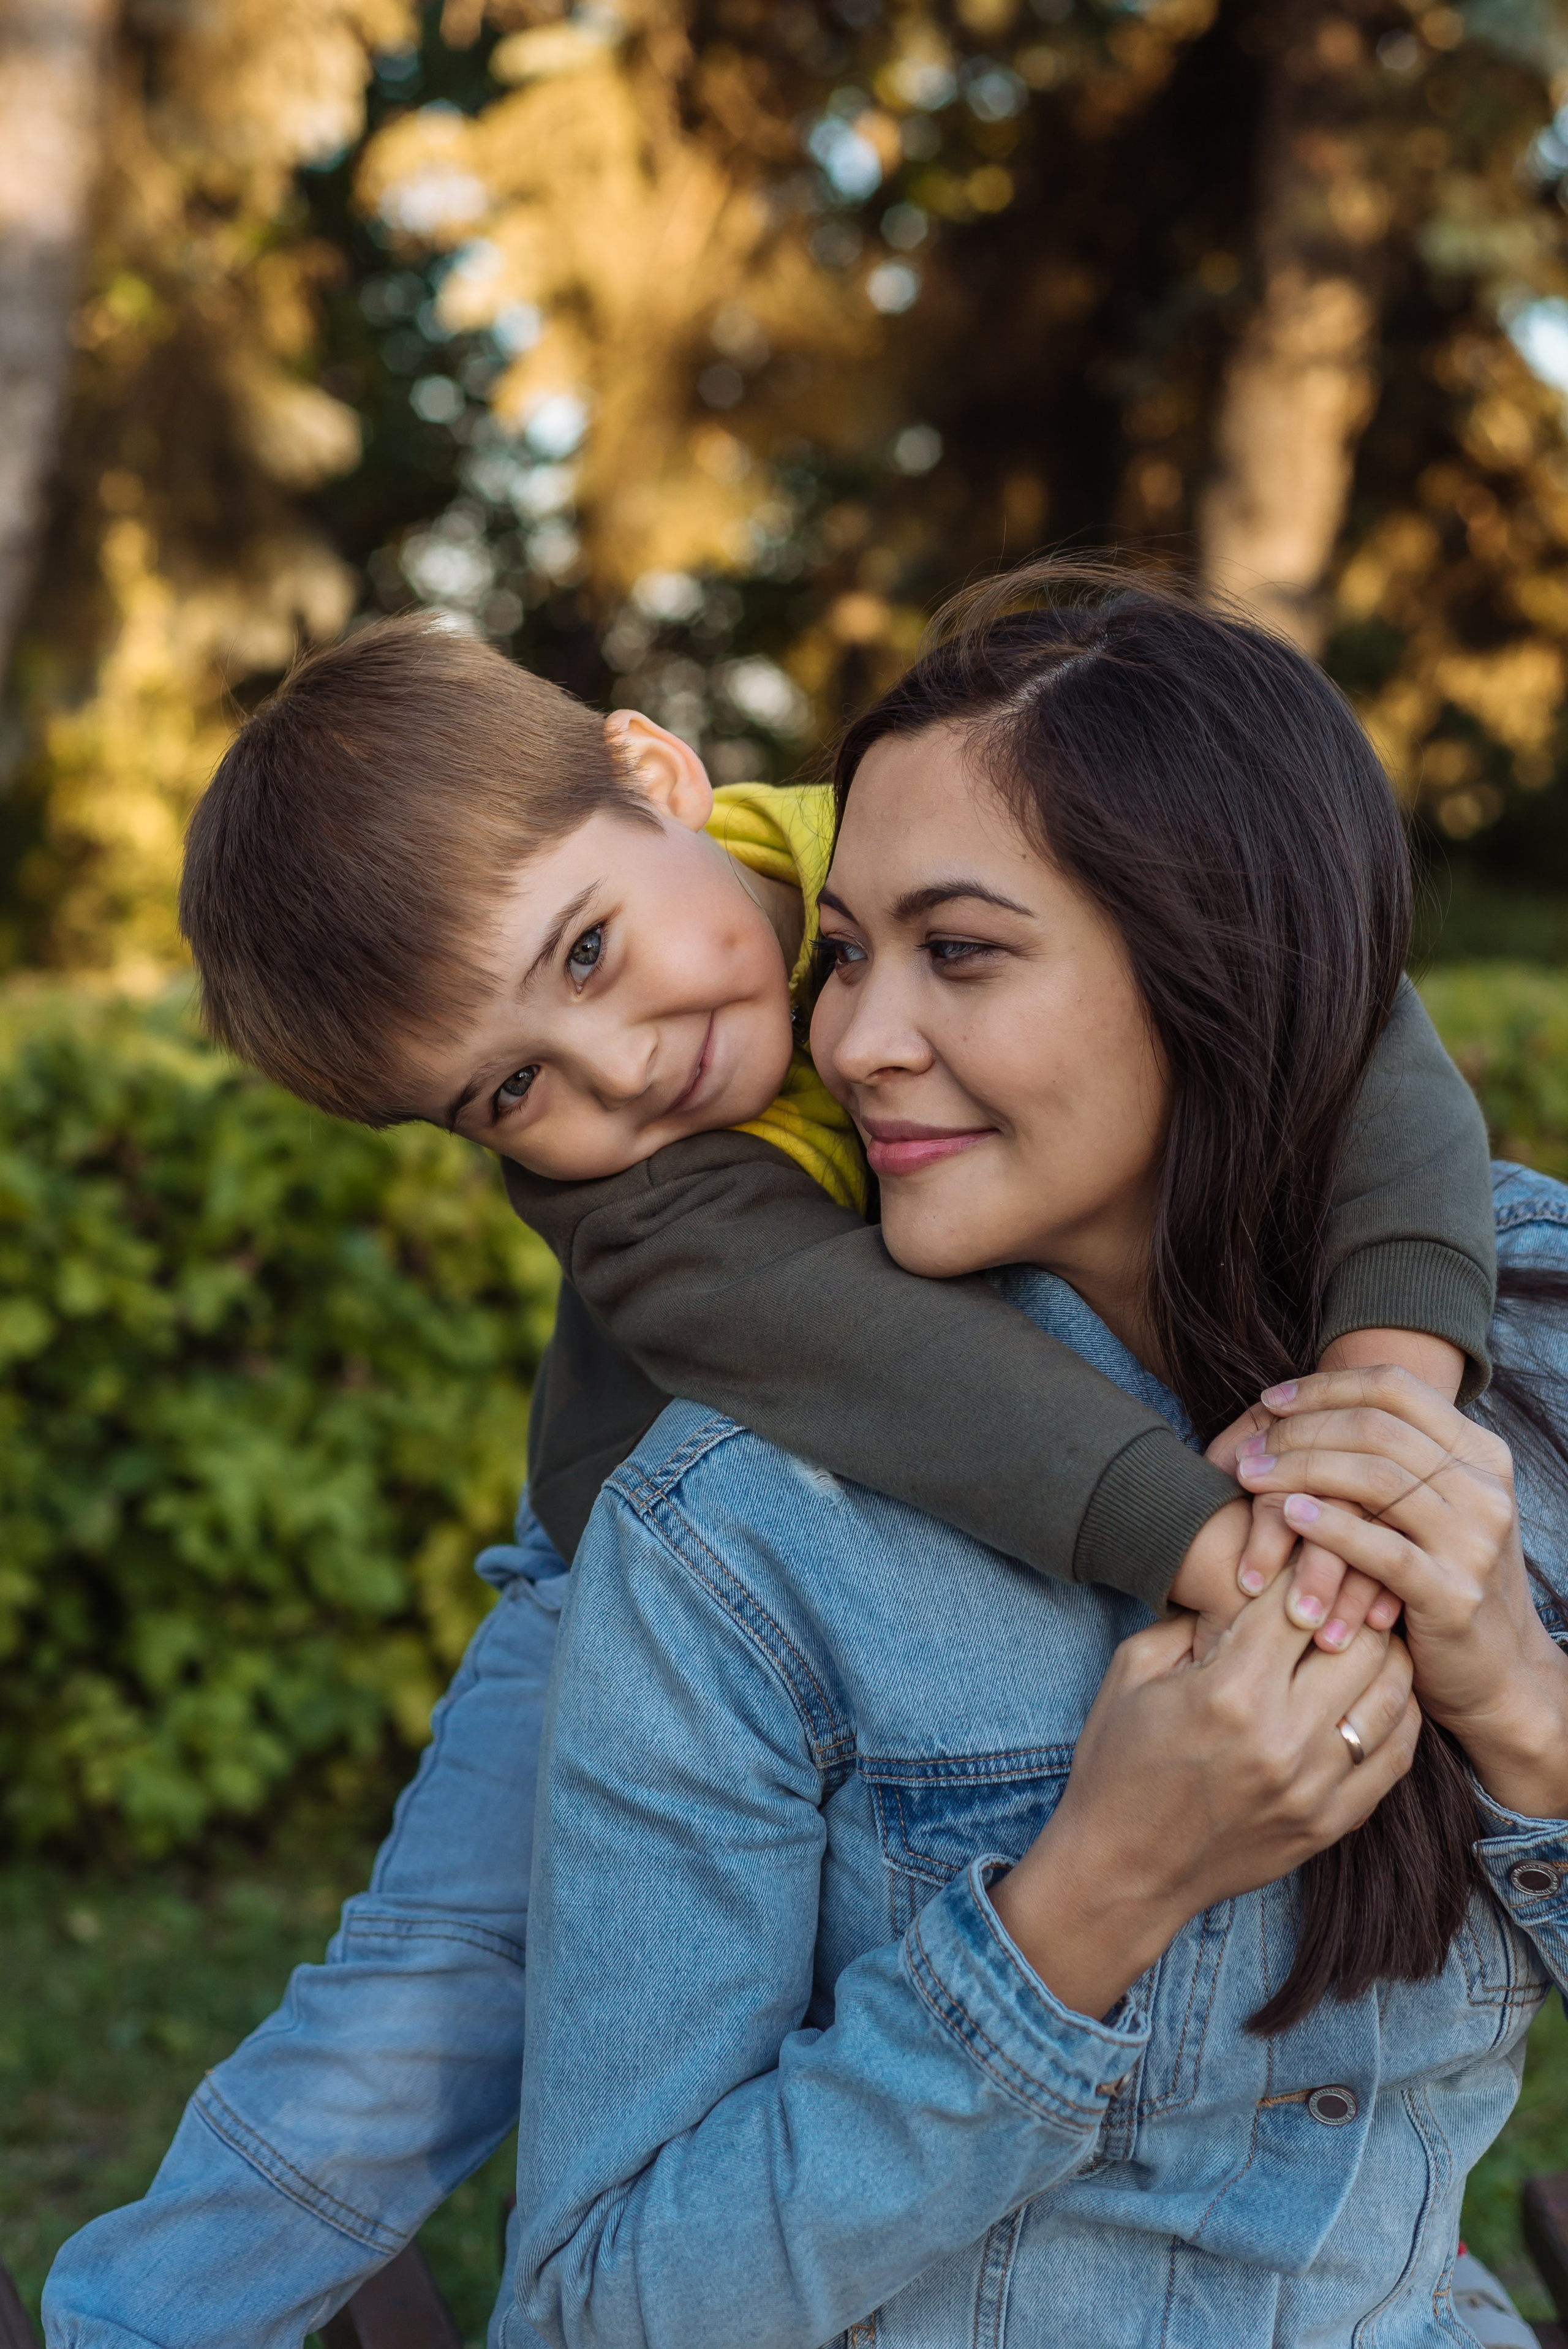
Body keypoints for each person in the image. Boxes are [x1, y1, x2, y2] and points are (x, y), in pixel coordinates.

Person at [41, 584, 1496, 2348]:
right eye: (508, 1092)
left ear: (657, 774)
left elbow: (1340, 1014)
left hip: (910, 1515)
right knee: (440, 1982)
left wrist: (1388, 1393)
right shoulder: (645, 1215)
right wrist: (1247, 1553)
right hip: (643, 1540)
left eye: (588, 954)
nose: (623, 1073)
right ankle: (140, 2315)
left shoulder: (907, 837)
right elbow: (894, 1372)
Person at [506, 564, 1568, 2348]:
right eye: (843, 951)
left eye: (963, 952)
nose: (848, 1041)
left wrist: (1529, 1715)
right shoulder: (741, 1524)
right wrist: (1088, 1902)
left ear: (1217, 964)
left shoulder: (1525, 1342)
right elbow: (595, 2313)